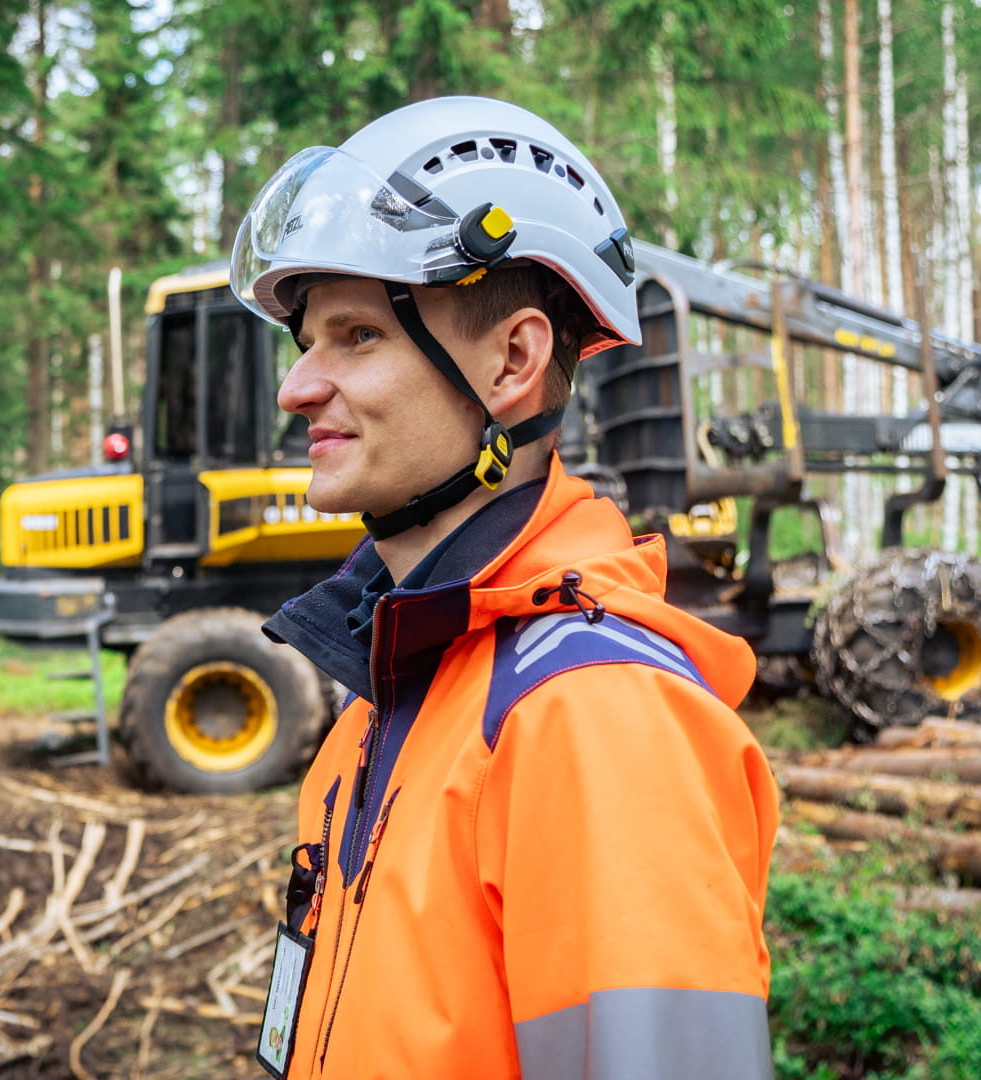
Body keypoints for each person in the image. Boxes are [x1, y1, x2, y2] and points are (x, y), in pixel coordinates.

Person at [234, 97, 779, 1079]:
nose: (298, 387)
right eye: (308, 340)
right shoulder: (400, 684)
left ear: (515, 360)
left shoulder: (594, 716)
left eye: (357, 336)